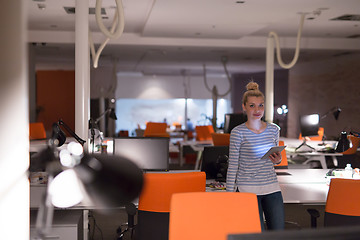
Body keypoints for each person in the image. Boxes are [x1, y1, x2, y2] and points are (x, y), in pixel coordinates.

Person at [226, 81, 284, 231]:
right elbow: (233, 165)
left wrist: (278, 160)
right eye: (252, 105)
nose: (257, 110)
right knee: (257, 234)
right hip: (247, 189)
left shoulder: (273, 129)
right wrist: (229, 195)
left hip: (272, 187)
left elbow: (275, 159)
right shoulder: (238, 132)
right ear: (244, 107)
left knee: (278, 234)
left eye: (261, 105)